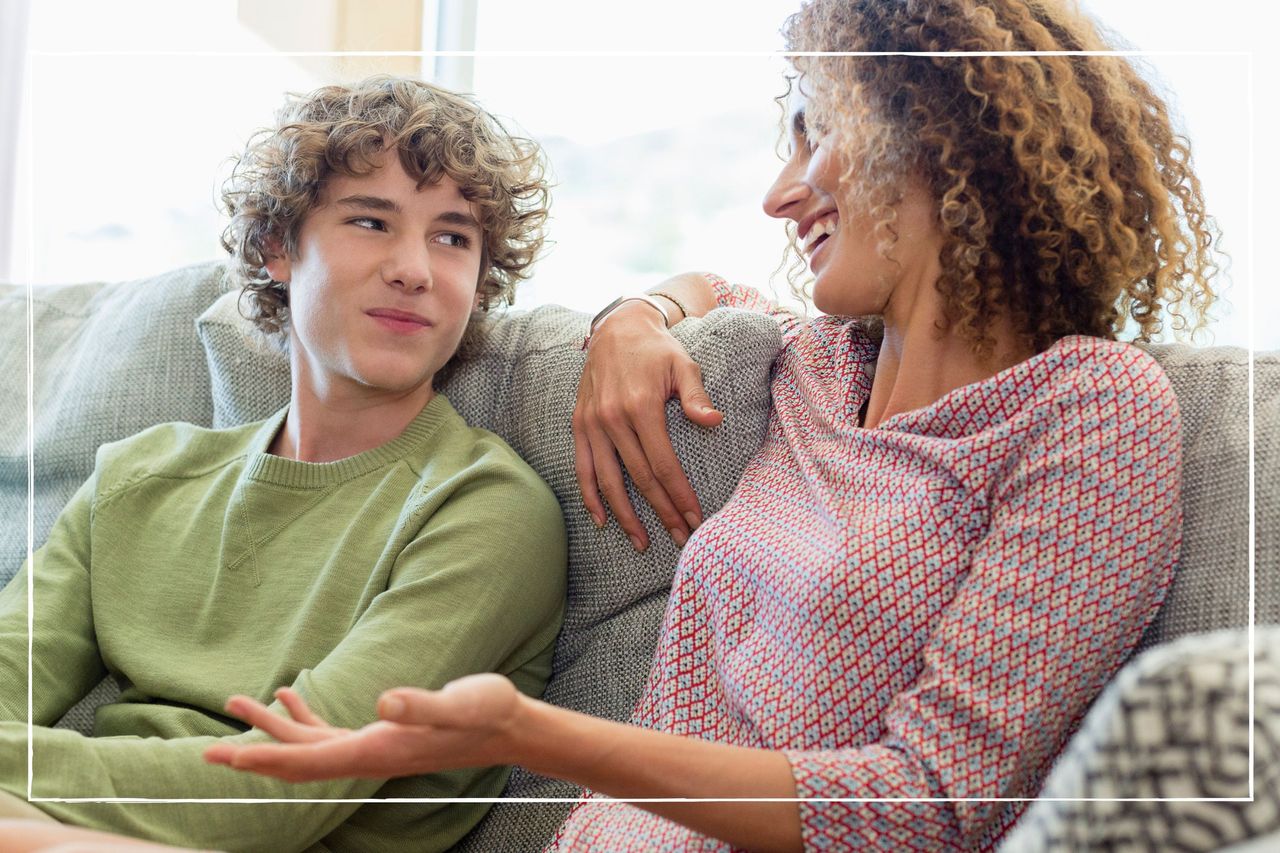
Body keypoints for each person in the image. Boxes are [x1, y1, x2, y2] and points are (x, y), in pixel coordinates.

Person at [21, 0, 1221, 850]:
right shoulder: (810, 367)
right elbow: (718, 291)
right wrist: (636, 312)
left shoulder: (1087, 410)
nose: (778, 188)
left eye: (813, 128)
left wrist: (535, 731)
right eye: (368, 224)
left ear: (938, 132)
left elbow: (927, 806)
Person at [0, 76, 566, 853]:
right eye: (372, 221)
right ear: (277, 248)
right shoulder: (137, 479)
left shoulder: (487, 508)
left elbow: (276, 792)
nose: (415, 269)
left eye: (453, 236)